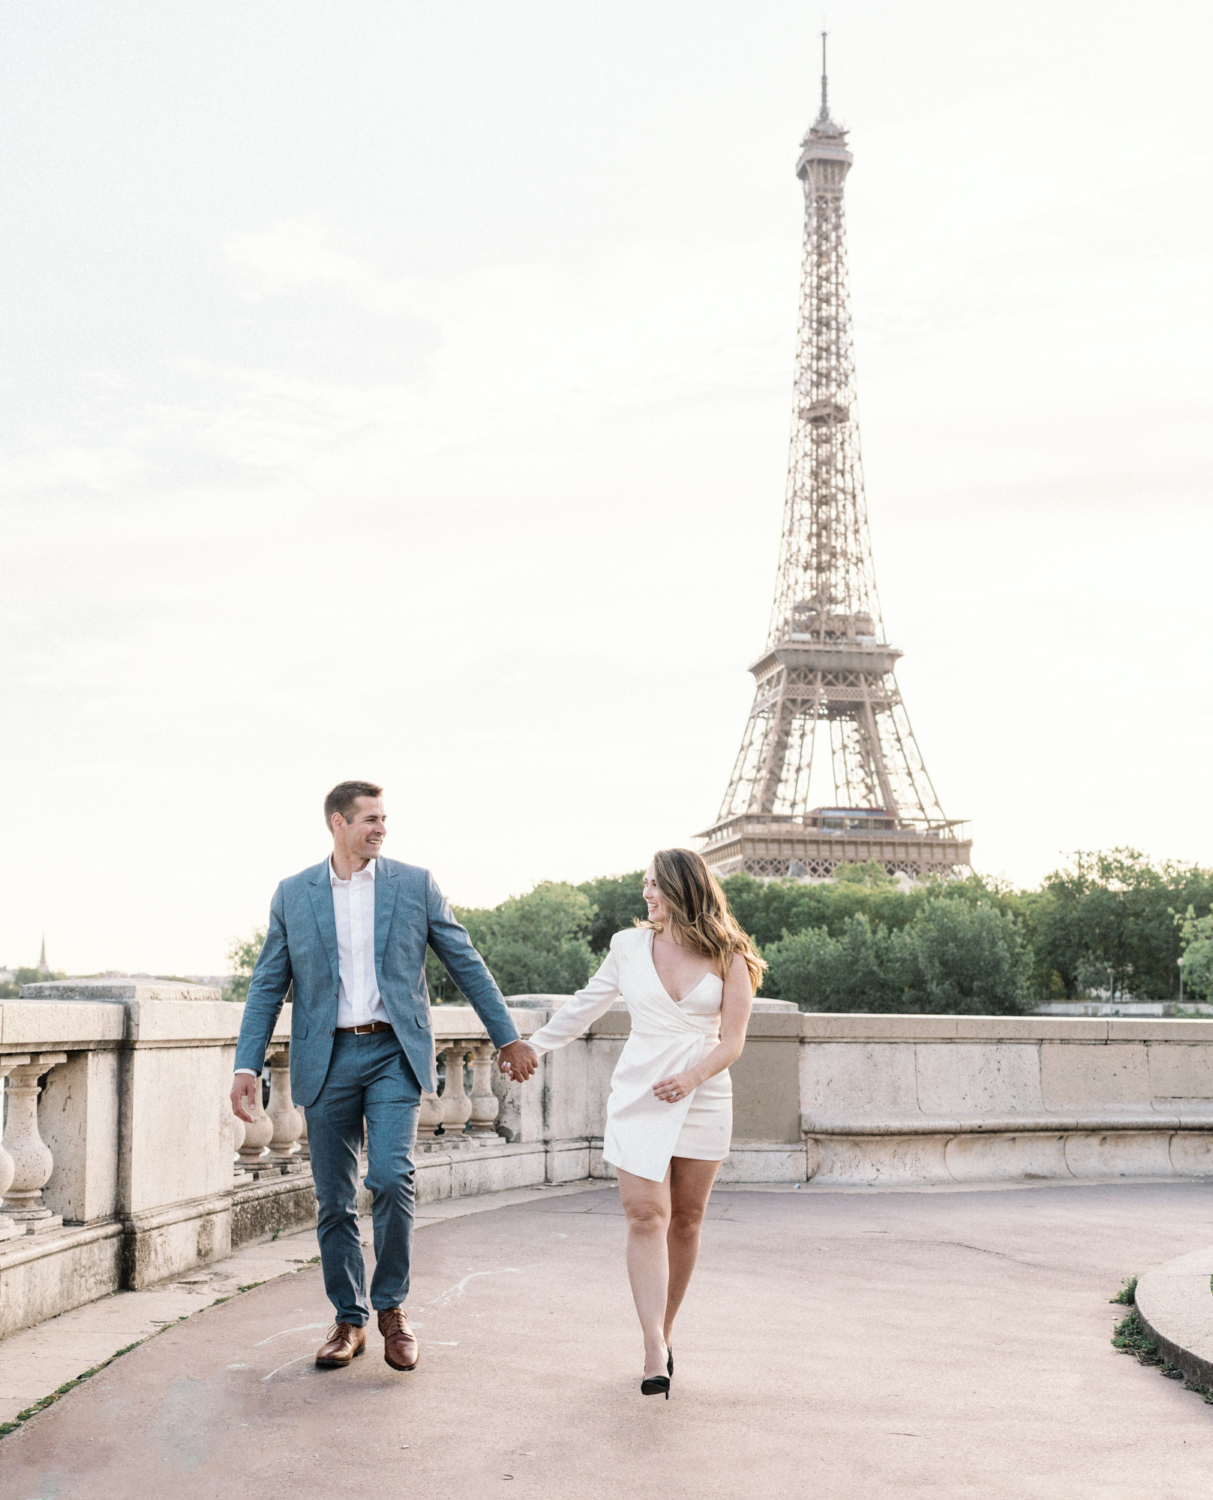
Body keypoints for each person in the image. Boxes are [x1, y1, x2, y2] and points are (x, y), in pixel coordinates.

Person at [229, 780, 539, 1373]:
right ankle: (349, 1319)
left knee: (393, 1177)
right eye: (370, 818)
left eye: (384, 818)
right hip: (326, 1060)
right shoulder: (294, 894)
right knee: (335, 1199)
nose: (381, 828)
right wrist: (248, 1064)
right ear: (338, 824)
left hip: (394, 1053)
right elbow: (268, 984)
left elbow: (464, 960)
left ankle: (391, 1308)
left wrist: (507, 1035)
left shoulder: (414, 884)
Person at [525, 847, 764, 1399]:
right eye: (645, 885)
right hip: (639, 1094)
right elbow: (585, 1004)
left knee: (686, 1221)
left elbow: (733, 1042)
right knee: (645, 1215)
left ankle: (667, 1329)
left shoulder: (731, 954)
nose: (645, 893)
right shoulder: (628, 946)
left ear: (683, 888)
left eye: (654, 884)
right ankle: (653, 1347)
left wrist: (690, 1078)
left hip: (702, 1093)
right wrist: (532, 1047)